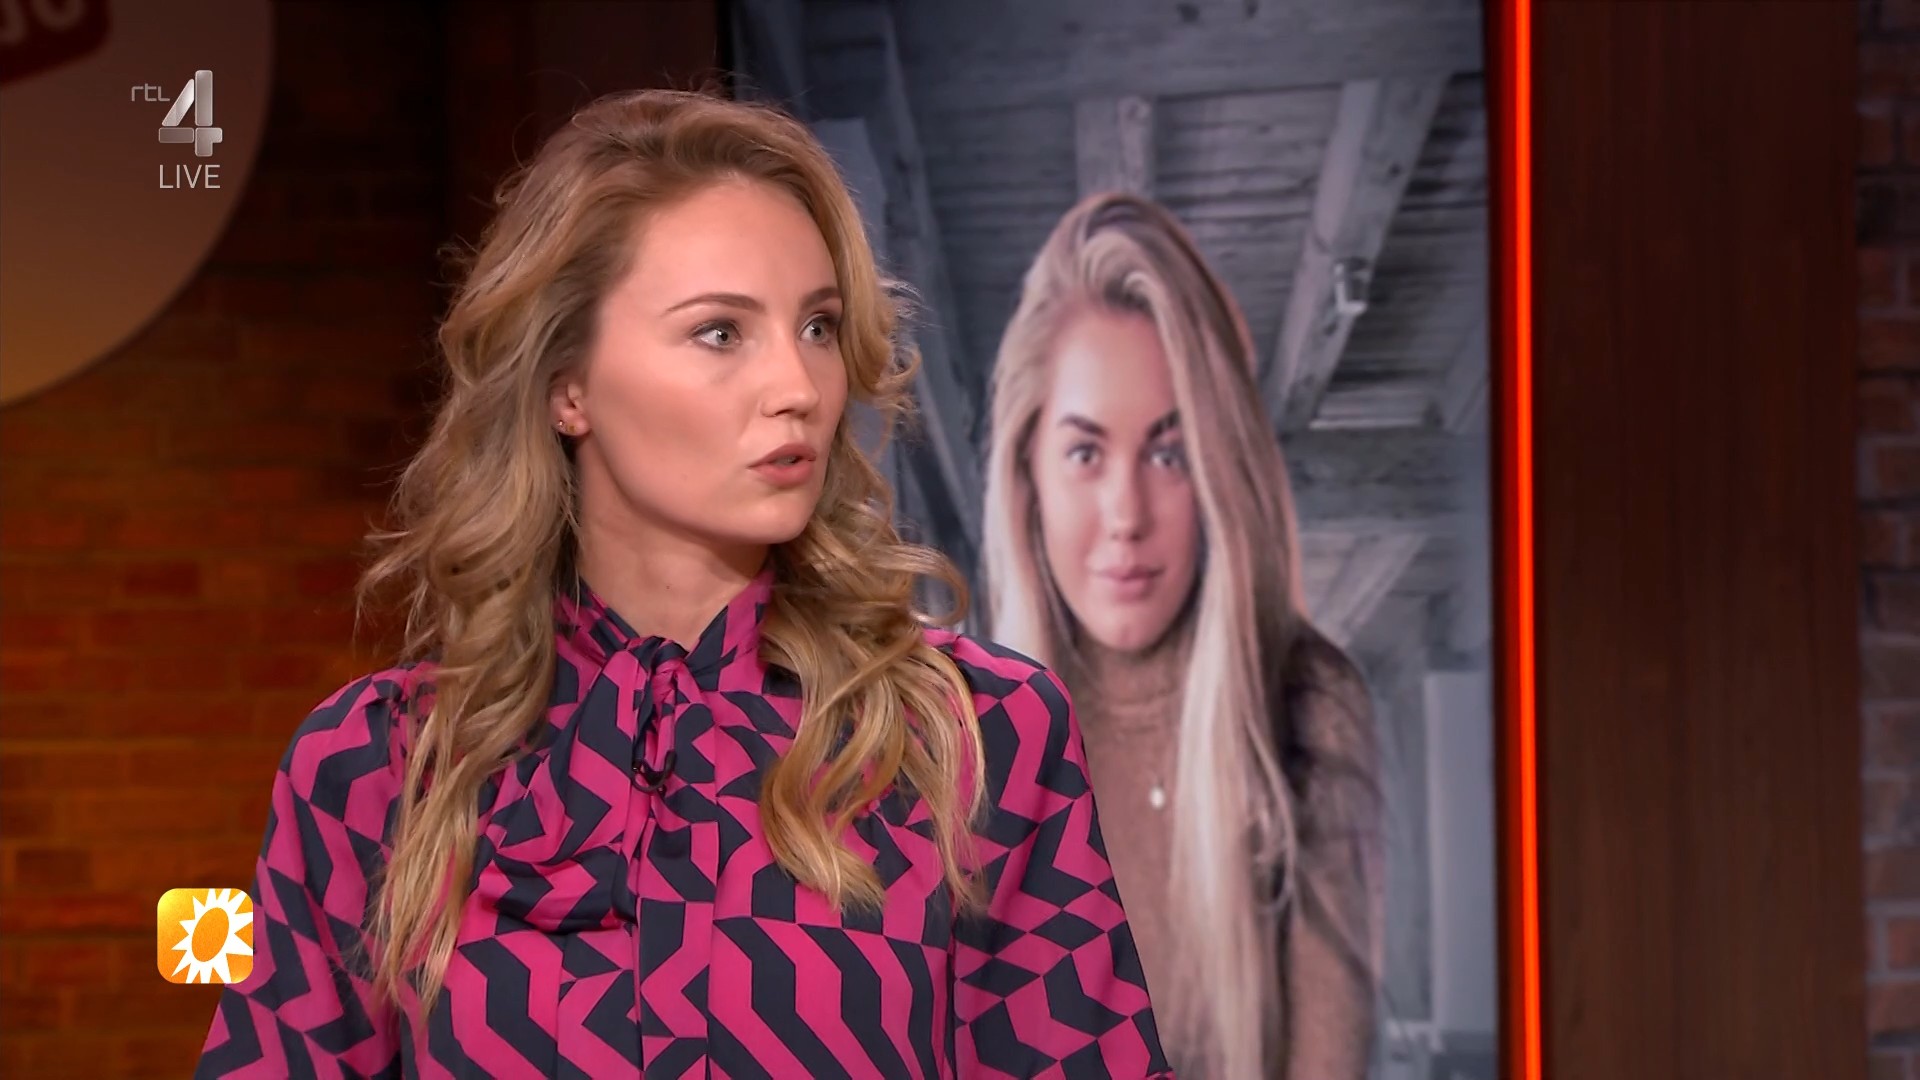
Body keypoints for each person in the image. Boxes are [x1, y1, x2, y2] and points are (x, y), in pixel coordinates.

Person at [194, 90, 1172, 1079]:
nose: (798, 388)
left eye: (819, 327)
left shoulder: (979, 736)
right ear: (568, 386)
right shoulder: (374, 770)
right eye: (720, 333)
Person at [980, 192, 1384, 1080]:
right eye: (1086, 453)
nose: (1126, 515)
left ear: (1218, 472)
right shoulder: (959, 738)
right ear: (1029, 472)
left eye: (1169, 454)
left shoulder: (1309, 710)